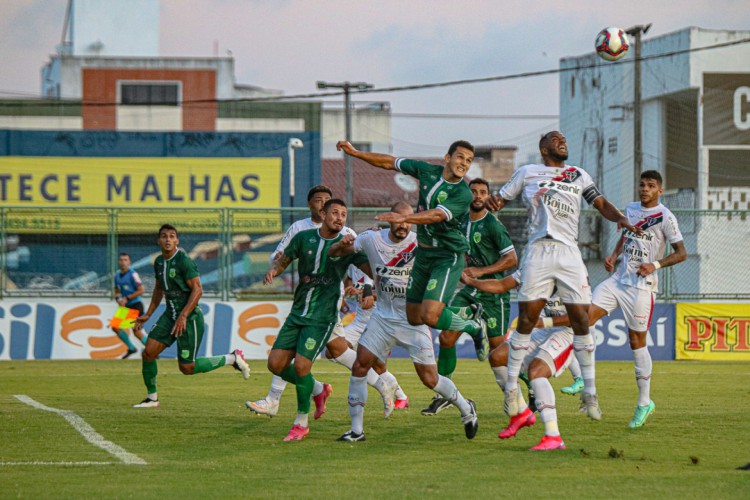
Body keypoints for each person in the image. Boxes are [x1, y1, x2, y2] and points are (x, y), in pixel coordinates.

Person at [486, 131, 639, 421]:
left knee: (582, 319)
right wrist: (494, 204)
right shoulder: (527, 172)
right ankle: (510, 390)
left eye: (564, 138)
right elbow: (500, 200)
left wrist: (619, 218)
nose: (563, 140)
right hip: (538, 252)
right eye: (556, 139)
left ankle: (590, 392)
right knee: (527, 321)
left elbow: (601, 202)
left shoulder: (578, 174)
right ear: (544, 148)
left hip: (570, 253)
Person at [545, 170, 686, 428]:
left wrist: (654, 265)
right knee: (583, 320)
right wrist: (613, 255)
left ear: (659, 191)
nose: (644, 189)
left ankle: (645, 402)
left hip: (642, 288)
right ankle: (580, 377)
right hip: (617, 281)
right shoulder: (631, 209)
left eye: (650, 186)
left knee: (636, 342)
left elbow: (681, 253)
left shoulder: (666, 216)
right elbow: (627, 234)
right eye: (642, 184)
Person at [329, 201, 478, 442]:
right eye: (399, 220)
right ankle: (356, 431)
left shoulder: (422, 243)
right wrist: (340, 246)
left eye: (409, 221)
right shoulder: (370, 239)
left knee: (430, 379)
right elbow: (339, 253)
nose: (403, 225)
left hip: (413, 319)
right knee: (359, 366)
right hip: (382, 318)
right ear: (389, 218)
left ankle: (465, 407)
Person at [247, 186, 396, 417]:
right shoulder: (300, 230)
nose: (325, 206)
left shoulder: (346, 234)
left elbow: (363, 265)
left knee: (298, 358)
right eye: (320, 201)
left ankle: (276, 402)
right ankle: (378, 384)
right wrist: (274, 267)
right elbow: (280, 256)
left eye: (332, 205)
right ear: (316, 207)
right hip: (305, 300)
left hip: (327, 305)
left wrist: (367, 286)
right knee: (338, 351)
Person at [336, 140, 488, 346]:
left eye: (469, 161)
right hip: (424, 254)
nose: (464, 163)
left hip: (446, 256)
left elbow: (436, 215)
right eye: (460, 157)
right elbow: (390, 162)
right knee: (414, 317)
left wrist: (404, 219)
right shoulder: (427, 171)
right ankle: (466, 312)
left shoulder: (463, 193)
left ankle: (474, 326)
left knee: (430, 316)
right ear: (447, 158)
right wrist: (356, 153)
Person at [260, 199, 372, 441]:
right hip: (298, 312)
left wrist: (381, 281)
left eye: (344, 214)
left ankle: (301, 422)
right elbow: (286, 259)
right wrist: (274, 270)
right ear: (323, 214)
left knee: (301, 367)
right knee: (275, 364)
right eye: (335, 213)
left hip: (323, 318)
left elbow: (369, 268)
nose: (340, 218)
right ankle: (319, 390)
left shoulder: (347, 246)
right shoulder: (304, 238)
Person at [422, 177, 517, 415]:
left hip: (494, 294)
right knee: (445, 339)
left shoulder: (492, 225)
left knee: (498, 352)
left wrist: (481, 271)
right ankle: (443, 394)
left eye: (482, 192)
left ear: (487, 197)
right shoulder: (459, 221)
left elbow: (512, 259)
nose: (477, 196)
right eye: (473, 191)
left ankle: (528, 388)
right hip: (469, 291)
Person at [132, 224, 250, 408]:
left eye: (172, 236)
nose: (168, 239)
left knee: (187, 368)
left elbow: (198, 290)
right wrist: (148, 314)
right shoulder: (158, 263)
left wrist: (184, 316)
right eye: (164, 236)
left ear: (177, 241)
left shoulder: (183, 261)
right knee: (148, 353)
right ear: (159, 241)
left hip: (190, 318)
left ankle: (232, 358)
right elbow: (158, 289)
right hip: (170, 315)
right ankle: (152, 398)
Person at [463, 271, 574, 450]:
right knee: (498, 357)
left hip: (569, 332)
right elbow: (501, 285)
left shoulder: (571, 272)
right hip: (544, 327)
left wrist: (543, 322)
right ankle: (522, 413)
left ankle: (553, 436)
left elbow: (583, 317)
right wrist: (471, 281)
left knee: (536, 372)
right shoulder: (533, 263)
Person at [113, 252, 147, 358]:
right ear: (119, 262)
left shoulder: (133, 274)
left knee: (136, 331)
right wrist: (118, 299)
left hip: (135, 305)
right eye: (121, 260)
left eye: (125, 260)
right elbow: (117, 290)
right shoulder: (117, 275)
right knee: (116, 326)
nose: (123, 262)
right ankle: (132, 348)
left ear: (129, 262)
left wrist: (127, 298)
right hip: (126, 306)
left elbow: (141, 290)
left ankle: (152, 350)